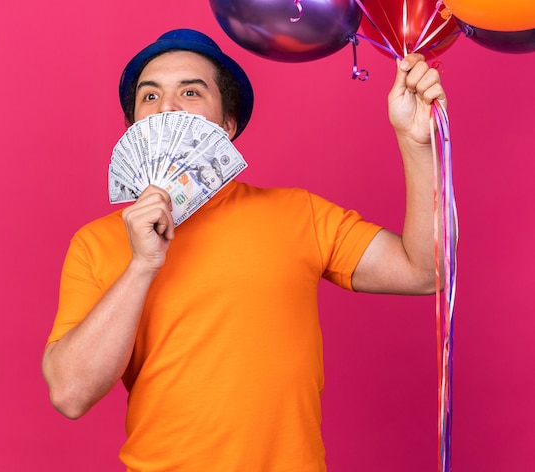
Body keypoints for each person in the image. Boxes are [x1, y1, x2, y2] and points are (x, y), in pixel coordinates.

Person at [42, 28, 446, 471]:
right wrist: (142, 265)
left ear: (227, 125)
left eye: (190, 92)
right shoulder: (95, 243)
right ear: (133, 126)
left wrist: (416, 144)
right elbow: (69, 394)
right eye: (150, 97)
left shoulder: (298, 215)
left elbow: (423, 271)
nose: (168, 109)